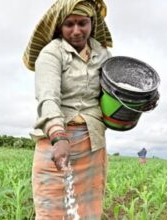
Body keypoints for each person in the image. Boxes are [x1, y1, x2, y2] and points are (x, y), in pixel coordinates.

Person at [23, 0, 113, 218]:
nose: (76, 31)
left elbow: (111, 96)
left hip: (92, 144)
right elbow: (48, 98)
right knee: (50, 208)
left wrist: (137, 104)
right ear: (59, 26)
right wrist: (59, 136)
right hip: (56, 144)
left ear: (92, 23)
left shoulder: (102, 55)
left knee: (87, 211)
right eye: (69, 24)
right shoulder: (51, 53)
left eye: (82, 23)